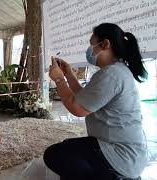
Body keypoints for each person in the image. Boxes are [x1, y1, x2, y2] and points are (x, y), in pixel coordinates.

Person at [44, 23, 148, 180]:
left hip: (121, 156)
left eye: (92, 44)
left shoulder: (111, 74)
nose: (90, 50)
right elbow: (86, 98)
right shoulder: (117, 70)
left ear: (105, 44)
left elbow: (77, 108)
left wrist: (59, 79)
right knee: (67, 147)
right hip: (128, 154)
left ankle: (113, 176)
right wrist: (69, 76)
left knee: (55, 155)